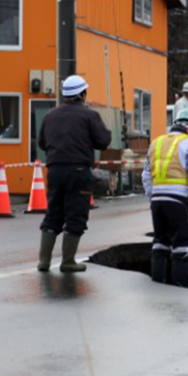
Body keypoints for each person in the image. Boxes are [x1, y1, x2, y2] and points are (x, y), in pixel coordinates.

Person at [36, 75, 112, 272]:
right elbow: (103, 141)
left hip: (54, 170)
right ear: (82, 95)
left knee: (53, 213)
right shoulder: (89, 115)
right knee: (76, 214)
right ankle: (68, 261)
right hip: (78, 171)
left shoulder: (50, 116)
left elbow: (42, 143)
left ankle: (43, 262)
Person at [142, 109, 188, 287]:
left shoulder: (156, 143)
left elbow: (146, 176)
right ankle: (179, 287)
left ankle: (158, 283)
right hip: (178, 201)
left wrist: (153, 197)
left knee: (160, 242)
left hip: (157, 201)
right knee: (182, 244)